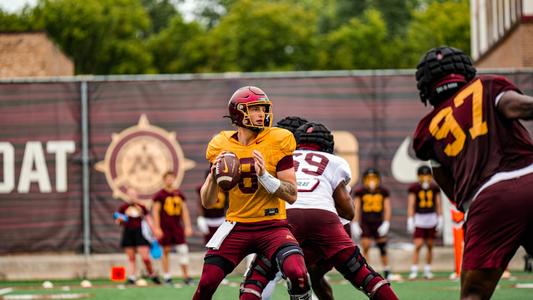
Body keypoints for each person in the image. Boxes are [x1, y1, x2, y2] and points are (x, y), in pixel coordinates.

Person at [413, 46, 533, 299]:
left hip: (490, 199)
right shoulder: (488, 85)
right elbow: (519, 107)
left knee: (473, 294)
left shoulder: (427, 129)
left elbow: (444, 179)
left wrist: (469, 207)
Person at [241, 122, 399, 299]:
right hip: (324, 219)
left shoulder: (284, 158)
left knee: (256, 278)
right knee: (364, 275)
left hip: (287, 217)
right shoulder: (334, 161)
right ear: (327, 144)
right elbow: (348, 212)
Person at [193, 86, 311, 300]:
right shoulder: (221, 144)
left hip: (272, 225)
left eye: (263, 109)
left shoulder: (278, 139)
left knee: (298, 273)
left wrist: (265, 176)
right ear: (238, 112)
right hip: (237, 225)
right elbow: (208, 202)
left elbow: (292, 194)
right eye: (255, 109)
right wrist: (213, 176)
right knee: (206, 283)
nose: (261, 114)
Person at [152, 171, 193, 285]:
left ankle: (186, 276)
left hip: (177, 226)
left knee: (183, 250)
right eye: (167, 178)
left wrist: (188, 226)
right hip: (165, 227)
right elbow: (155, 211)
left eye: (171, 178)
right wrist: (157, 228)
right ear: (164, 180)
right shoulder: (160, 195)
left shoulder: (179, 194)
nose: (169, 180)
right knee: (166, 251)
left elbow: (184, 211)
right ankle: (167, 276)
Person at [351, 168, 392, 279]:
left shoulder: (383, 191)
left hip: (378, 222)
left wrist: (386, 223)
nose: (371, 181)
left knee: (382, 247)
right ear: (364, 180)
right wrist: (355, 223)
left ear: (378, 179)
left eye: (374, 178)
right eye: (369, 178)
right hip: (366, 222)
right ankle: (366, 270)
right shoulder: (361, 192)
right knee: (366, 246)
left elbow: (387, 208)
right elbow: (357, 208)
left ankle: (387, 270)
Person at [115, 188, 160, 285]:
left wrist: (155, 231)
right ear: (127, 195)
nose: (132, 196)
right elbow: (118, 222)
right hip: (128, 233)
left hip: (140, 233)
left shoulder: (142, 207)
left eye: (134, 194)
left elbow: (149, 220)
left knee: (145, 258)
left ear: (137, 195)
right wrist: (124, 216)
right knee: (131, 258)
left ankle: (152, 274)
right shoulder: (123, 208)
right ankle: (132, 277)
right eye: (130, 194)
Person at [406, 165, 443, 280]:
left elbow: (438, 204)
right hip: (420, 218)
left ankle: (427, 269)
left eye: (427, 175)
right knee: (418, 244)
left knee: (430, 245)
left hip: (431, 217)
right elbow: (411, 204)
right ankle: (414, 269)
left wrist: (440, 218)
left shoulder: (434, 187)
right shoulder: (414, 188)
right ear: (419, 176)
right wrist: (410, 219)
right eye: (423, 175)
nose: (425, 178)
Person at [196, 172, 228, 245]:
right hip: (207, 219)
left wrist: (228, 217)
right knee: (209, 244)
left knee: (222, 243)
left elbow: (228, 204)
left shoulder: (224, 188)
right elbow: (200, 203)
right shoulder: (203, 188)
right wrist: (200, 217)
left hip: (221, 219)